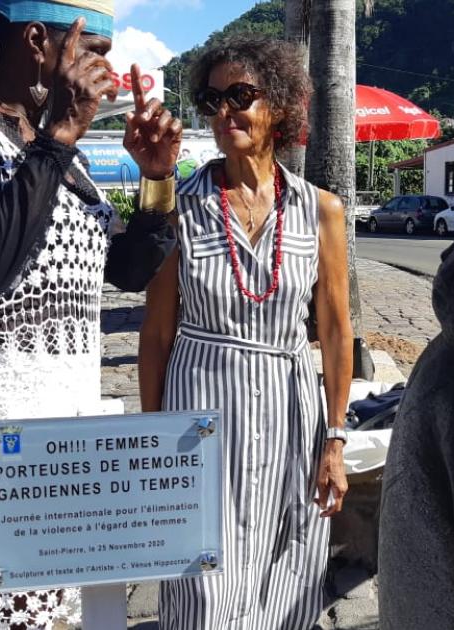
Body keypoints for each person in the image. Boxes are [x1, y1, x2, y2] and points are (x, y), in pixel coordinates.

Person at [0, 1, 182, 627]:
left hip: (68, 423)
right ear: (37, 39)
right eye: (95, 52)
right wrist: (60, 134)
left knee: (52, 610)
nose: (104, 73)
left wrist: (157, 179)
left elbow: (129, 269)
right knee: (3, 614)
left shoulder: (64, 152)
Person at [137, 34, 353, 630]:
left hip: (290, 413)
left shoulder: (321, 211)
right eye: (211, 101)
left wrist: (334, 441)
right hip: (199, 413)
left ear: (278, 105)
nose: (224, 112)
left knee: (286, 579)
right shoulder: (181, 207)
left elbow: (335, 334)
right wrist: (155, 443)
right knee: (202, 588)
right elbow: (156, 336)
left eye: (241, 95)